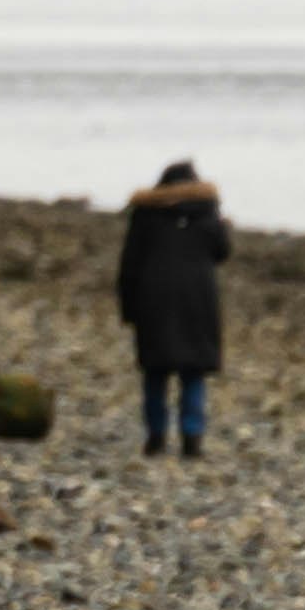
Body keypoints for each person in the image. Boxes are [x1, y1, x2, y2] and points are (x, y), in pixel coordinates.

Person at [113, 157, 229, 458]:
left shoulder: (145, 214)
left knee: (155, 372)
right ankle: (192, 439)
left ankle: (156, 438)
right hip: (197, 301)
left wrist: (128, 309)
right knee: (193, 373)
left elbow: (129, 266)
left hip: (153, 299)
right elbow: (222, 251)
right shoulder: (207, 211)